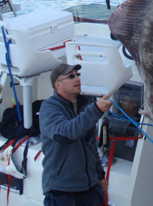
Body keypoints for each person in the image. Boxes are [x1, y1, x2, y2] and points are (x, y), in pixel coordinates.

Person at [40, 63, 112, 206]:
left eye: (77, 75)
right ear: (57, 85)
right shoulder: (49, 108)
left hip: (90, 189)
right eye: (71, 76)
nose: (77, 79)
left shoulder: (84, 105)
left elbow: (90, 145)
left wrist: (99, 175)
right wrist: (95, 110)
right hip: (62, 192)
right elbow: (65, 134)